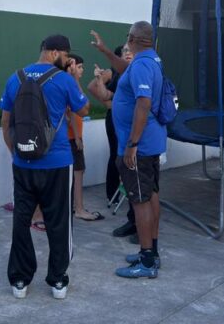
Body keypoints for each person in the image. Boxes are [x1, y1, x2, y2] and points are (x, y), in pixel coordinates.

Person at [0, 35, 89, 300]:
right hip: (58, 163)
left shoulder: (15, 78)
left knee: (21, 220)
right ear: (54, 53)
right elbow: (84, 109)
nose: (68, 60)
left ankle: (19, 279)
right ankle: (58, 279)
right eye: (66, 55)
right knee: (59, 221)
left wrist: (16, 153)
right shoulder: (64, 80)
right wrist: (73, 78)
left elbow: (6, 122)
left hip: (23, 162)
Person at [101, 22, 167, 280]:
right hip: (149, 143)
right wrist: (107, 51)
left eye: (128, 36)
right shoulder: (149, 60)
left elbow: (143, 103)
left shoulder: (141, 65)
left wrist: (132, 143)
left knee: (140, 201)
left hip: (140, 147)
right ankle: (152, 252)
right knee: (150, 196)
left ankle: (147, 259)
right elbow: (125, 70)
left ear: (133, 38)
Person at [86, 43, 136, 237]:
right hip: (115, 120)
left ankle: (129, 199)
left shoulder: (137, 72)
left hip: (130, 124)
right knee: (117, 155)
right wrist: (108, 103)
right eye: (124, 52)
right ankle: (113, 194)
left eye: (130, 51)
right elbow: (94, 87)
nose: (127, 54)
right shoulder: (113, 72)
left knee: (127, 159)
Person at [65, 55, 100, 222]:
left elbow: (84, 104)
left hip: (74, 136)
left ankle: (75, 206)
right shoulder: (67, 85)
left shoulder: (72, 84)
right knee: (78, 172)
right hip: (71, 137)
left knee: (78, 171)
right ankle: (78, 208)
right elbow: (72, 112)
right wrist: (78, 136)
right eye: (79, 67)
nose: (81, 70)